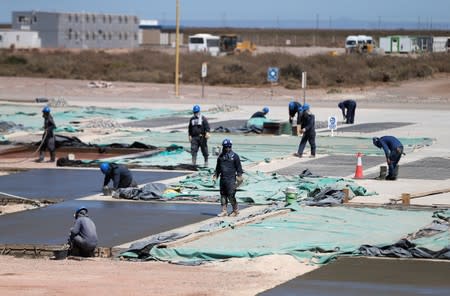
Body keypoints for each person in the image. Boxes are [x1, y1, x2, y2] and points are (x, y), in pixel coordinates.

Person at [213, 138, 243, 217]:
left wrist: (239, 176)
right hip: (223, 179)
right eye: (226, 147)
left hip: (231, 179)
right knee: (223, 195)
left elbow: (239, 168)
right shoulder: (221, 157)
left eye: (229, 147)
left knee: (231, 195)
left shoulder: (235, 156)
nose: (227, 149)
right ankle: (224, 211)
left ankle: (235, 210)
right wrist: (215, 175)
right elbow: (218, 168)